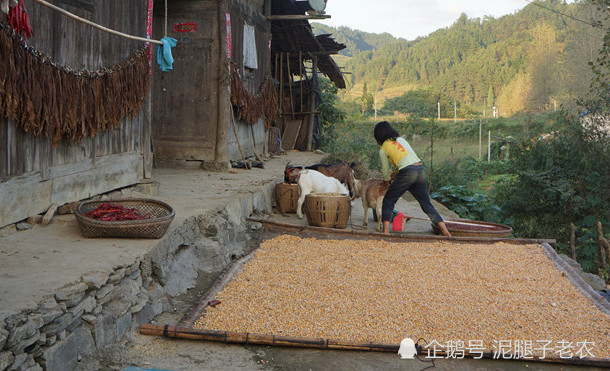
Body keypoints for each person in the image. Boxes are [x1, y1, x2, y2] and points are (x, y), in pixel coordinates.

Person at [374, 121, 451, 237]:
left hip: (407, 172)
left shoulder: (383, 149)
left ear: (378, 137)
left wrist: (386, 183)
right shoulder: (401, 140)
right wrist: (393, 177)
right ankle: (446, 232)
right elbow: (405, 161)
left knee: (389, 200)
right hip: (419, 169)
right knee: (426, 203)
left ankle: (385, 232)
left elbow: (385, 171)